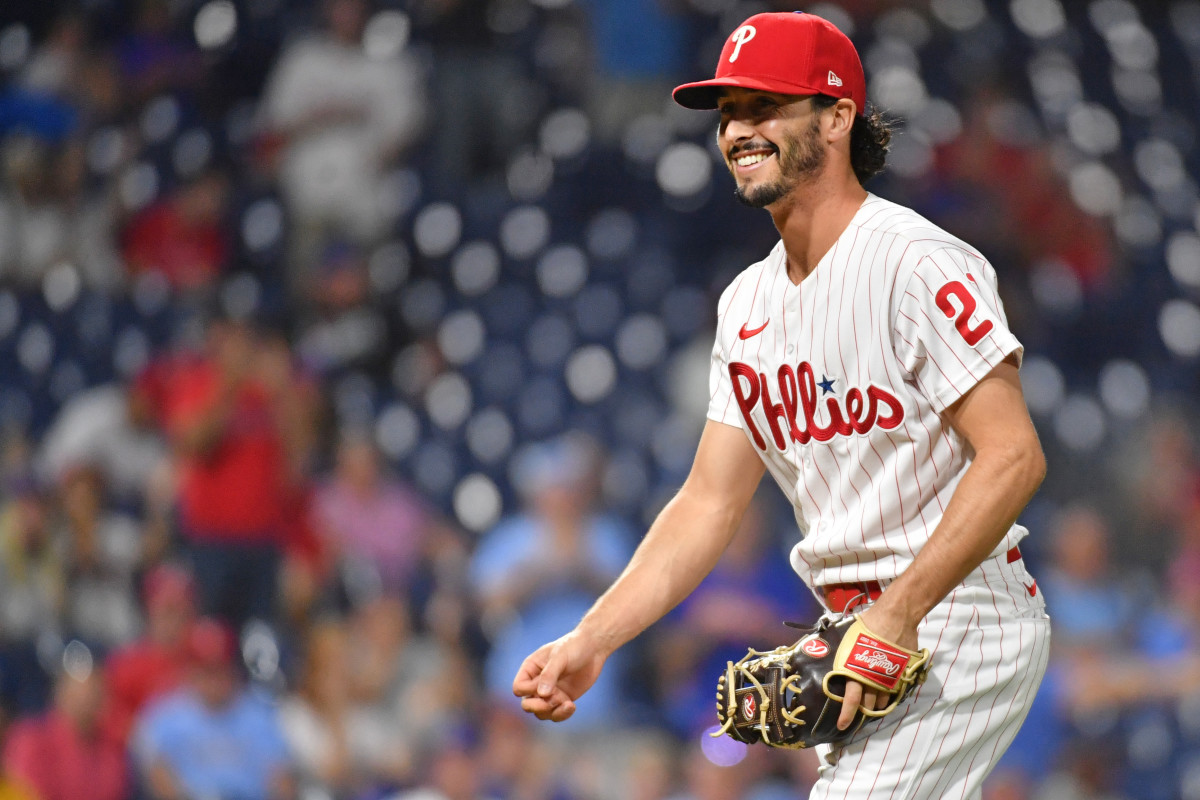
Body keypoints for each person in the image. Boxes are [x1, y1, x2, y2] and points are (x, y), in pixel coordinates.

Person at [512, 12, 1051, 799]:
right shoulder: (747, 304)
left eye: (766, 106)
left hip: (955, 613)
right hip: (853, 632)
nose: (739, 130)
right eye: (729, 112)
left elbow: (1014, 456)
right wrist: (593, 639)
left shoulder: (916, 263)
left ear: (837, 118)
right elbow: (706, 502)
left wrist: (897, 616)